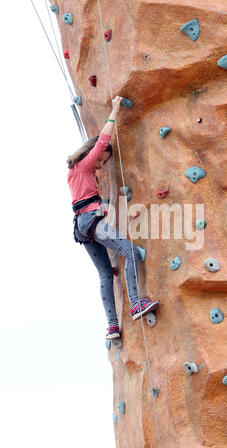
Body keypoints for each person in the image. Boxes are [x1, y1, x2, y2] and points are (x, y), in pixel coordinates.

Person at [67, 96, 159, 340]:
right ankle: (136, 303)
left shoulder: (74, 171)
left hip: (80, 227)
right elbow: (103, 140)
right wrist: (115, 107)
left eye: (103, 162)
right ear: (90, 153)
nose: (99, 164)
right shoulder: (85, 165)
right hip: (91, 222)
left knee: (106, 274)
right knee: (129, 250)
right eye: (100, 159)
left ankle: (111, 326)